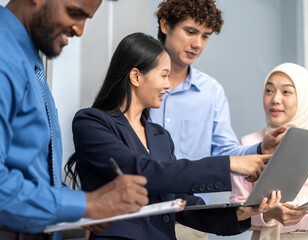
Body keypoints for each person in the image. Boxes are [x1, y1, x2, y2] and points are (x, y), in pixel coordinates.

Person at [68, 32, 285, 240]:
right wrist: (228, 163)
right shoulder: (91, 123)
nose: (168, 85)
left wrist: (244, 211)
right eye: (164, 75)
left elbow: (183, 205)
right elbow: (143, 171)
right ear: (135, 76)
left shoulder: (160, 136)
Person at [0, 0, 149, 239]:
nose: (79, 30)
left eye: (86, 19)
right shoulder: (4, 57)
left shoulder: (28, 61)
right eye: (74, 13)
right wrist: (86, 203)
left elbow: (32, 171)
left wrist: (79, 209)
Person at [150, 1, 284, 239]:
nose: (197, 44)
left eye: (205, 36)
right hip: (136, 217)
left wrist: (260, 148)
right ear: (165, 24)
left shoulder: (211, 92)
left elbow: (226, 152)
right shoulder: (138, 83)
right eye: (190, 32)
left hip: (190, 221)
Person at [230, 63, 308, 240]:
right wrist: (268, 214)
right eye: (269, 91)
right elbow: (237, 208)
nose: (275, 99)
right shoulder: (251, 144)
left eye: (286, 92)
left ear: (305, 97)